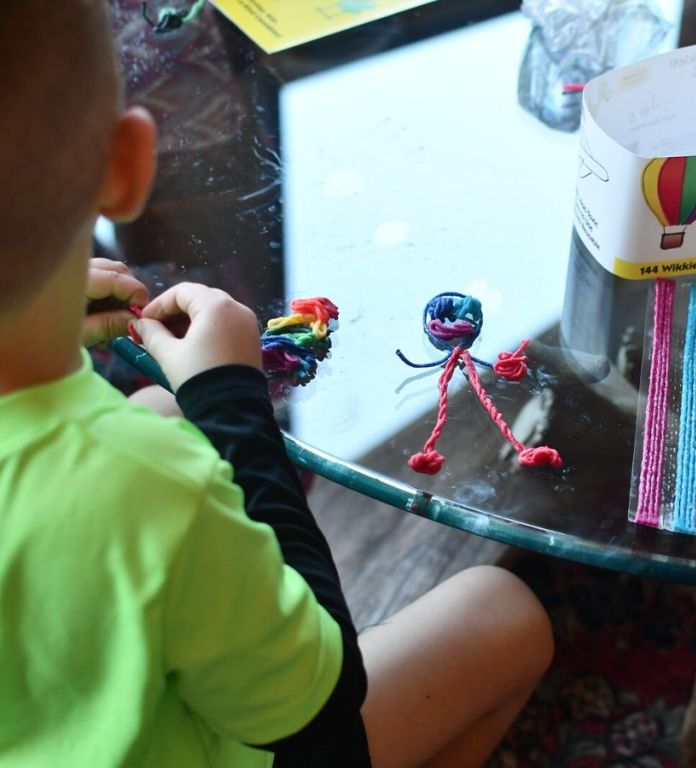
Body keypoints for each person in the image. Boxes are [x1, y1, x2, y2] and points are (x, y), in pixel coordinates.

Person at [0, 2, 553, 766]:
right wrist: (233, 400)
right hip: (268, 727)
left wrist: (36, 305)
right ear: (125, 165)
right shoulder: (143, 489)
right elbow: (324, 707)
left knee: (158, 407)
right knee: (506, 616)